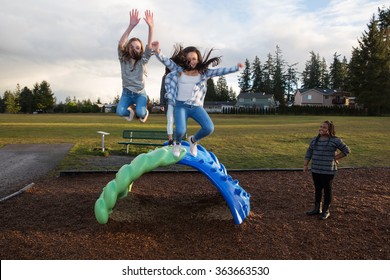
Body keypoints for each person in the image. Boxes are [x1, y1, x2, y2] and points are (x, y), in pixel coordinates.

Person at [152, 42, 243, 157]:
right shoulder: (179, 70)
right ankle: (177, 143)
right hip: (180, 105)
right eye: (189, 59)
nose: (192, 61)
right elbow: (167, 61)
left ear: (198, 59)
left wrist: (235, 68)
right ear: (184, 60)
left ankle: (193, 141)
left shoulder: (203, 73)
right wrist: (158, 52)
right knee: (180, 131)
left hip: (196, 106)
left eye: (194, 58)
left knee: (209, 128)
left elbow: (219, 71)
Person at [304, 120, 351, 220]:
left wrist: (335, 158)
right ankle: (317, 209)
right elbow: (309, 151)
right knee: (317, 189)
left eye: (324, 127)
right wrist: (306, 164)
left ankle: (326, 211)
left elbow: (346, 150)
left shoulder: (335, 140)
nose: (321, 129)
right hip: (315, 169)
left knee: (327, 190)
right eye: (320, 127)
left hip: (328, 170)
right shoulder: (315, 140)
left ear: (330, 130)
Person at [116, 9, 154, 123]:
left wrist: (151, 27)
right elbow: (121, 44)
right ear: (127, 48)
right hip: (126, 93)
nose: (134, 49)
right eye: (131, 47)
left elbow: (149, 48)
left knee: (141, 113)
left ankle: (143, 112)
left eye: (137, 47)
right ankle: (130, 112)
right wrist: (131, 26)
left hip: (140, 93)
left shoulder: (143, 60)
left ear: (141, 50)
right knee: (120, 111)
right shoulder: (123, 59)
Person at [159, 67, 174, 146]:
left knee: (179, 121)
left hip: (178, 102)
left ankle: (178, 140)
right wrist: (161, 103)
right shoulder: (165, 77)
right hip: (169, 102)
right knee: (170, 121)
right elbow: (162, 90)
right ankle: (170, 139)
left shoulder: (178, 75)